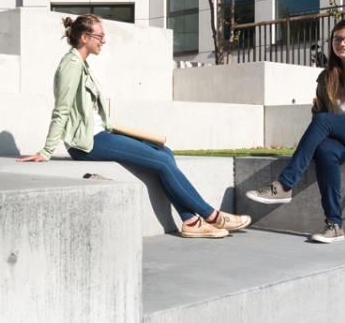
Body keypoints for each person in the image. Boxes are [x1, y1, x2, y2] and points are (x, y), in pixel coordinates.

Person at [17, 14, 251, 239]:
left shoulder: (82, 64)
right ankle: (212, 216)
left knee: (165, 153)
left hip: (101, 134)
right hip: (88, 143)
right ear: (85, 38)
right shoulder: (71, 65)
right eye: (99, 36)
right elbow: (62, 109)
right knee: (163, 161)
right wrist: (46, 151)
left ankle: (190, 222)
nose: (104, 40)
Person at [246, 17, 345, 244]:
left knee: (326, 120)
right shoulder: (327, 77)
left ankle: (285, 185)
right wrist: (336, 125)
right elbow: (320, 115)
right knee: (324, 150)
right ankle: (334, 225)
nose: (342, 43)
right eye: (337, 38)